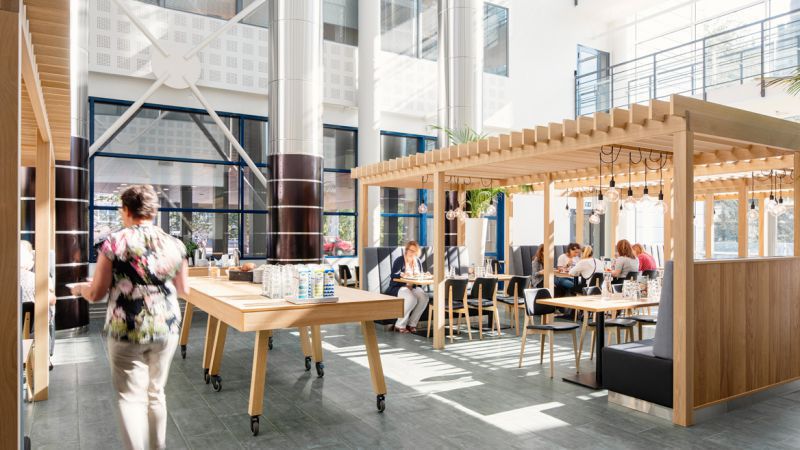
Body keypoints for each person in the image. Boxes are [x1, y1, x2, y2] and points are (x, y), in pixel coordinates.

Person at [72, 184, 188, 450]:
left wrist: (81, 289)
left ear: (126, 210)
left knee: (130, 398)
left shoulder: (114, 243)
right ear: (153, 211)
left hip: (126, 327)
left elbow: (97, 293)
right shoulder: (175, 244)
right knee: (156, 394)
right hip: (166, 326)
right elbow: (184, 290)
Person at [19, 240, 56, 369]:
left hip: (9, 327)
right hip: (31, 326)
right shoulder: (35, 279)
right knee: (44, 317)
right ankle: (44, 359)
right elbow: (51, 300)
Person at [386, 241, 428, 333]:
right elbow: (393, 275)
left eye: (414, 251)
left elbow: (420, 274)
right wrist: (402, 275)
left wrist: (424, 275)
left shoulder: (418, 261)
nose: (412, 253)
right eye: (410, 250)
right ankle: (399, 325)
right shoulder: (400, 260)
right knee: (412, 299)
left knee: (424, 298)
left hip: (413, 286)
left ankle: (411, 324)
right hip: (399, 286)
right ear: (406, 250)